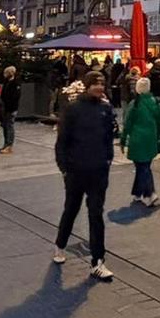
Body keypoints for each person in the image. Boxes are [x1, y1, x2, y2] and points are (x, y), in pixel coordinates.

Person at [52, 71, 116, 281]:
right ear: (87, 86)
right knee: (71, 208)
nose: (100, 88)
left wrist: (108, 160)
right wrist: (64, 168)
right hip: (76, 169)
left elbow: (108, 137)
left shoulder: (106, 109)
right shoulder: (73, 109)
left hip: (98, 169)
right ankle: (60, 245)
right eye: (96, 84)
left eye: (102, 84)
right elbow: (62, 141)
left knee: (96, 214)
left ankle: (98, 261)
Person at [120, 76, 160, 206]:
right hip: (150, 139)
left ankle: (150, 194)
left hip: (137, 140)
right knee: (144, 166)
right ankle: (137, 193)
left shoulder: (134, 105)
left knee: (142, 167)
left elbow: (127, 124)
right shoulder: (155, 102)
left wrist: (123, 140)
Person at [0, 65, 21, 154]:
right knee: (5, 126)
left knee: (9, 126)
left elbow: (15, 97)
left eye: (6, 73)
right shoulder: (6, 82)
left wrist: (10, 106)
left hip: (11, 108)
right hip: (5, 108)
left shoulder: (16, 83)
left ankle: (9, 145)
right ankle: (5, 144)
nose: (4, 75)